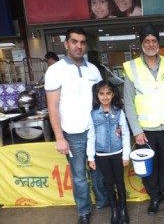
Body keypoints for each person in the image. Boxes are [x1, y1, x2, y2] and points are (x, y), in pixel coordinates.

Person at [44, 27, 102, 224]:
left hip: (95, 130)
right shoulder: (55, 70)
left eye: (82, 42)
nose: (79, 46)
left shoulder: (93, 69)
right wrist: (59, 137)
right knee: (79, 176)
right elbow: (52, 107)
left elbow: (102, 100)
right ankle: (84, 211)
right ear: (66, 44)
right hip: (73, 134)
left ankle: (102, 202)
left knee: (98, 170)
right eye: (75, 41)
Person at [123, 23, 164, 216]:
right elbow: (129, 103)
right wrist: (136, 131)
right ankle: (154, 197)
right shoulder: (132, 67)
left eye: (154, 40)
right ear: (141, 44)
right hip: (145, 130)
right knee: (150, 165)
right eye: (147, 41)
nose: (150, 44)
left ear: (158, 43)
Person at [87, 80, 131, 224]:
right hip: (101, 155)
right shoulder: (93, 114)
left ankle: (123, 209)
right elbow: (91, 135)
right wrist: (91, 157)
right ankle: (115, 210)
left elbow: (125, 133)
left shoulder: (119, 112)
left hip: (117, 153)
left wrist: (126, 155)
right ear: (97, 95)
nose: (105, 97)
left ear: (113, 94)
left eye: (108, 93)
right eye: (101, 94)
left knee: (119, 181)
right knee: (108, 182)